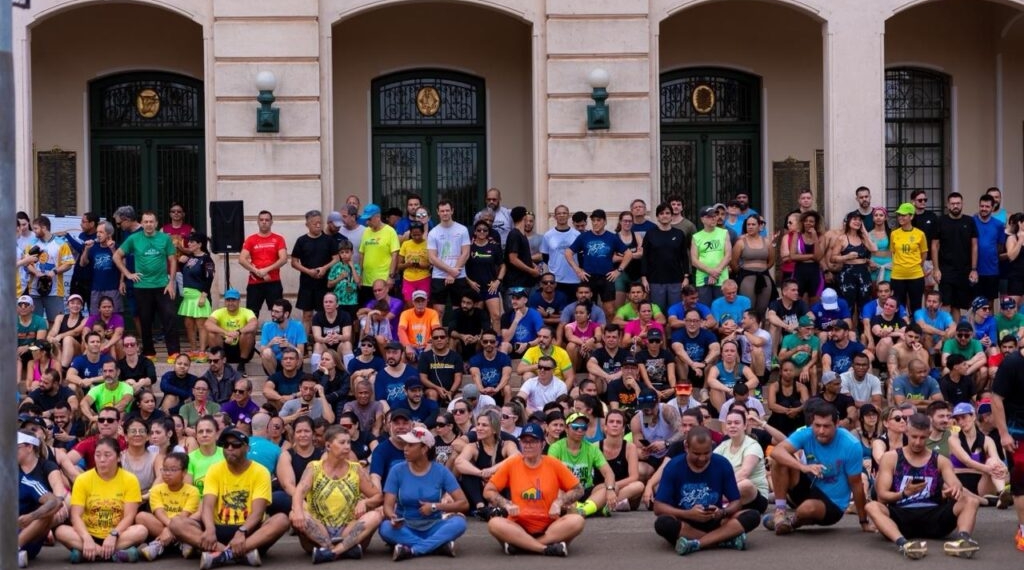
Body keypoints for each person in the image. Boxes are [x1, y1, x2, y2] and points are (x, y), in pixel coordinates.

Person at [865, 412, 982, 559]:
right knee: (871, 506)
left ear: (929, 434)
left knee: (971, 500)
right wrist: (904, 493)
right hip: (902, 515)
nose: (918, 442)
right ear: (907, 432)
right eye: (914, 437)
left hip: (934, 516)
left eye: (922, 438)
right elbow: (882, 495)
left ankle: (964, 540)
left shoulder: (940, 460)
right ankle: (903, 544)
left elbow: (955, 482)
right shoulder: (891, 458)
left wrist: (955, 489)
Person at [169, 429, 290, 568]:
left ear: (247, 448)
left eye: (235, 445)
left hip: (249, 531)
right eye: (226, 445)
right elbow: (207, 505)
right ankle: (238, 554)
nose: (229, 449)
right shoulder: (214, 469)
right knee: (176, 523)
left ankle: (223, 555)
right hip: (217, 529)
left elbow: (258, 512)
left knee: (281, 520)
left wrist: (242, 531)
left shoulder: (261, 472)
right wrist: (209, 529)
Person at [765, 401, 870, 535]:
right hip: (809, 488)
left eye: (826, 426)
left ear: (837, 424)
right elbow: (776, 452)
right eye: (817, 425)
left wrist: (863, 521)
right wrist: (803, 467)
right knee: (779, 460)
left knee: (807, 508)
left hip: (832, 504)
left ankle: (790, 523)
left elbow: (856, 485)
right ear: (811, 423)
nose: (821, 431)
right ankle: (780, 512)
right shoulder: (807, 433)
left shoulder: (851, 444)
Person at [481, 422, 583, 557]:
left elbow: (578, 489)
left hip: (549, 525)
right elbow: (488, 490)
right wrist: (506, 504)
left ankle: (523, 545)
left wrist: (559, 502)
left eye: (533, 441)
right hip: (518, 525)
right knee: (494, 523)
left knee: (577, 520)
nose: (527, 445)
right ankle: (545, 549)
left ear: (542, 444)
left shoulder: (553, 464)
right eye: (524, 441)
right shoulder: (512, 464)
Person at [653, 427, 760, 556]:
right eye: (697, 454)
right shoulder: (673, 467)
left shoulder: (722, 464)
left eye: (707, 453)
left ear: (712, 447)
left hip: (716, 521)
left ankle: (698, 543)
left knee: (753, 515)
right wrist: (688, 514)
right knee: (663, 523)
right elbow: (658, 507)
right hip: (685, 523)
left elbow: (736, 502)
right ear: (686, 447)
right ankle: (722, 541)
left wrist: (722, 512)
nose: (702, 458)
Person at [289, 425, 383, 563]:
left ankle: (332, 552)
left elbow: (378, 496)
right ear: (328, 446)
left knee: (375, 515)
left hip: (348, 528)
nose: (347, 447)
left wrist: (365, 502)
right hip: (320, 529)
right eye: (342, 442)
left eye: (349, 442)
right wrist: (297, 511)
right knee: (293, 513)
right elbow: (299, 491)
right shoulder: (314, 467)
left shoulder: (355, 469)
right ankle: (345, 550)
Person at [380, 424, 469, 561]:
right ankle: (437, 546)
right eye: (405, 444)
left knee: (459, 523)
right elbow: (387, 505)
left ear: (424, 449)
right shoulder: (397, 470)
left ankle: (413, 549)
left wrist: (435, 506)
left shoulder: (441, 471)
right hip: (405, 526)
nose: (405, 449)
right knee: (385, 527)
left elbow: (463, 504)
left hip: (434, 525)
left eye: (411, 445)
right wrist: (392, 516)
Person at [54, 437, 148, 563]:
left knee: (141, 530)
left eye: (107, 455)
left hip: (118, 535)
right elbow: (76, 516)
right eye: (97, 455)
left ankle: (86, 553)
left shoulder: (130, 480)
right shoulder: (83, 479)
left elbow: (129, 516)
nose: (102, 459)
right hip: (87, 533)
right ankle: (112, 554)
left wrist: (113, 535)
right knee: (61, 531)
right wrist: (87, 538)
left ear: (118, 457)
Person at [112, 211, 180, 362]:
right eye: (146, 222)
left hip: (163, 286)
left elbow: (173, 260)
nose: (149, 224)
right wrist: (128, 274)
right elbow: (116, 256)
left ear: (156, 224)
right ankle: (149, 353)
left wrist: (171, 282)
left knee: (169, 317)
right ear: (141, 224)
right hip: (142, 287)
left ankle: (174, 353)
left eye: (151, 222)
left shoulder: (165, 238)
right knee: (145, 320)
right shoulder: (133, 239)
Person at [547, 412, 617, 517]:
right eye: (575, 427)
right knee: (555, 491)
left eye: (584, 427)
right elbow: (551, 476)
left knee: (610, 486)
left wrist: (610, 489)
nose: (580, 430)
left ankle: (582, 511)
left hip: (585, 491)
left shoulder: (591, 448)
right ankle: (594, 508)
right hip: (565, 492)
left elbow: (608, 473)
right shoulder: (556, 448)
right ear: (566, 429)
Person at [565, 209, 632, 317]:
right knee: (587, 309)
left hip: (607, 278)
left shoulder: (612, 237)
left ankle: (609, 333)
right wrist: (578, 270)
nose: (595, 223)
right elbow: (568, 252)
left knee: (610, 311)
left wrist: (618, 271)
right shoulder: (584, 236)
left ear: (605, 222)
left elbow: (628, 254)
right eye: (593, 220)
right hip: (588, 277)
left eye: (598, 220)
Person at [990, 342, 1024, 551]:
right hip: (1018, 433)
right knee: (1022, 485)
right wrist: (1003, 434)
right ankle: (1023, 530)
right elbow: (996, 399)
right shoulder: (1011, 363)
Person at [455, 409, 520, 515]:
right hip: (479, 492)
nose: (479, 428)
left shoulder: (507, 444)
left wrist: (491, 471)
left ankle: (505, 506)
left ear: (494, 429)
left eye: (484, 425)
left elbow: (517, 457)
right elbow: (459, 462)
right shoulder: (472, 446)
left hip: (499, 489)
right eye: (478, 424)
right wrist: (480, 473)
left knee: (510, 473)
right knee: (468, 473)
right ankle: (481, 507)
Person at [17, 431, 63, 568]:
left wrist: (31, 517)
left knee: (49, 511)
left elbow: (57, 500)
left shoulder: (33, 477)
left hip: (29, 531)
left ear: (30, 447)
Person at [948, 402, 1009, 500]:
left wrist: (1004, 469)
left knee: (993, 461)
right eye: (958, 419)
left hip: (981, 483)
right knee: (991, 465)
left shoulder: (987, 440)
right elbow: (967, 461)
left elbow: (997, 460)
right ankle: (991, 499)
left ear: (973, 416)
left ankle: (1002, 493)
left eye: (964, 417)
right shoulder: (954, 439)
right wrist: (989, 469)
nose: (961, 422)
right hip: (961, 483)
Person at [426, 199, 471, 319]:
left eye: (447, 210)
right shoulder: (433, 233)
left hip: (459, 275)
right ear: (438, 212)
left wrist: (454, 272)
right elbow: (432, 257)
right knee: (438, 311)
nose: (445, 213)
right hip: (439, 276)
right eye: (442, 211)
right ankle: (439, 337)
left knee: (459, 310)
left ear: (452, 211)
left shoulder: (462, 230)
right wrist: (451, 271)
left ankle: (457, 337)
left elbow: (465, 253)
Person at [239, 210, 288, 316]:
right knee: (251, 315)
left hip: (273, 282)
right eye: (261, 220)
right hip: (255, 283)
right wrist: (257, 271)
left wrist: (266, 270)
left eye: (267, 220)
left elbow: (283, 259)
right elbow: (242, 259)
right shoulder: (251, 239)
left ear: (271, 222)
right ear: (257, 222)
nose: (264, 222)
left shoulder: (278, 239)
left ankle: (277, 333)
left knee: (278, 314)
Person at [178, 232, 215, 361]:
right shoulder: (188, 257)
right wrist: (180, 262)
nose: (189, 244)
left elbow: (209, 277)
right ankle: (193, 349)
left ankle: (202, 351)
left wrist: (204, 295)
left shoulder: (207, 259)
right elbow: (184, 273)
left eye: (192, 242)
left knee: (201, 325)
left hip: (199, 295)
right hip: (188, 297)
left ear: (199, 244)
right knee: (188, 324)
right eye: (189, 241)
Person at [357, 204, 400, 305]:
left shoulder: (390, 231)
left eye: (369, 219)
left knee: (384, 309)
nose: (367, 222)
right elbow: (362, 254)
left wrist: (391, 277)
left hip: (383, 280)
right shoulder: (366, 232)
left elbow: (395, 255)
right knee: (368, 309)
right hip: (367, 280)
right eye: (366, 220)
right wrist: (359, 274)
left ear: (378, 217)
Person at [690, 206, 732, 307]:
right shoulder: (696, 237)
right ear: (702, 219)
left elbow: (728, 255)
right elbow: (694, 260)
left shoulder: (724, 233)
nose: (714, 218)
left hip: (721, 278)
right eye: (710, 216)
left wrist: (716, 271)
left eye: (715, 215)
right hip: (703, 279)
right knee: (705, 309)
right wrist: (710, 271)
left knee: (722, 308)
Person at [205, 288, 258, 366]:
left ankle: (242, 365)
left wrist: (238, 332)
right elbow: (208, 324)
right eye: (228, 300)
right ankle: (220, 361)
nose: (230, 303)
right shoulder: (218, 312)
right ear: (225, 301)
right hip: (225, 347)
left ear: (239, 301)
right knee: (211, 334)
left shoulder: (247, 312)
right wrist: (226, 333)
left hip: (242, 350)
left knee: (249, 333)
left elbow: (254, 324)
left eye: (233, 300)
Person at [541, 204, 581, 299]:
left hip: (574, 278)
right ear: (555, 216)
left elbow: (580, 256)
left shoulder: (577, 234)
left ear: (568, 215)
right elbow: (545, 256)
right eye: (559, 213)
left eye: (564, 213)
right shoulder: (548, 235)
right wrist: (554, 266)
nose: (562, 215)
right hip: (556, 279)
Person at [259, 299, 307, 375]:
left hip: (291, 360)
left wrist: (289, 345)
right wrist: (271, 343)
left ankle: (294, 378)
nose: (273, 314)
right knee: (266, 352)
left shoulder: (298, 326)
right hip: (274, 363)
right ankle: (274, 379)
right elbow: (261, 352)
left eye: (277, 312)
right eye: (273, 311)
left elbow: (301, 352)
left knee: (298, 352)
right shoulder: (267, 326)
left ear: (286, 314)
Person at [974, 194, 1005, 305]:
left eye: (987, 206)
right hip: (974, 271)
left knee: (989, 303)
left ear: (992, 208)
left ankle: (989, 323)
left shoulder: (999, 225)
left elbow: (1000, 246)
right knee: (974, 303)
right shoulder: (971, 221)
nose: (984, 209)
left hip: (992, 270)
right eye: (982, 206)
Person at [310, 291, 353, 371]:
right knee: (318, 345)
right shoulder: (317, 316)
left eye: (330, 302)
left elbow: (347, 336)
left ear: (337, 304)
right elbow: (317, 337)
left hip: (339, 347)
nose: (328, 304)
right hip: (325, 346)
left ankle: (349, 375)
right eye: (325, 302)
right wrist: (325, 339)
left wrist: (338, 337)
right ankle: (315, 376)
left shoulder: (345, 315)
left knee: (347, 344)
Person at [397, 290, 441, 363]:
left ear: (427, 301)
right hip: (411, 346)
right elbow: (401, 330)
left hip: (428, 345)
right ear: (413, 302)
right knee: (402, 355)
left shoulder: (433, 313)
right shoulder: (405, 314)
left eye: (423, 301)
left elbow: (436, 330)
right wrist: (407, 346)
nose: (420, 304)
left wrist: (430, 344)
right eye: (417, 301)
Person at [397, 221, 430, 305]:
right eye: (413, 235)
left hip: (424, 278)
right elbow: (399, 265)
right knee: (410, 305)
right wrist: (408, 264)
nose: (416, 237)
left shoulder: (428, 244)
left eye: (418, 234)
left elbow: (430, 264)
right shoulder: (405, 244)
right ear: (410, 233)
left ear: (423, 233)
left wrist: (419, 264)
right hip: (408, 279)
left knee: (422, 305)